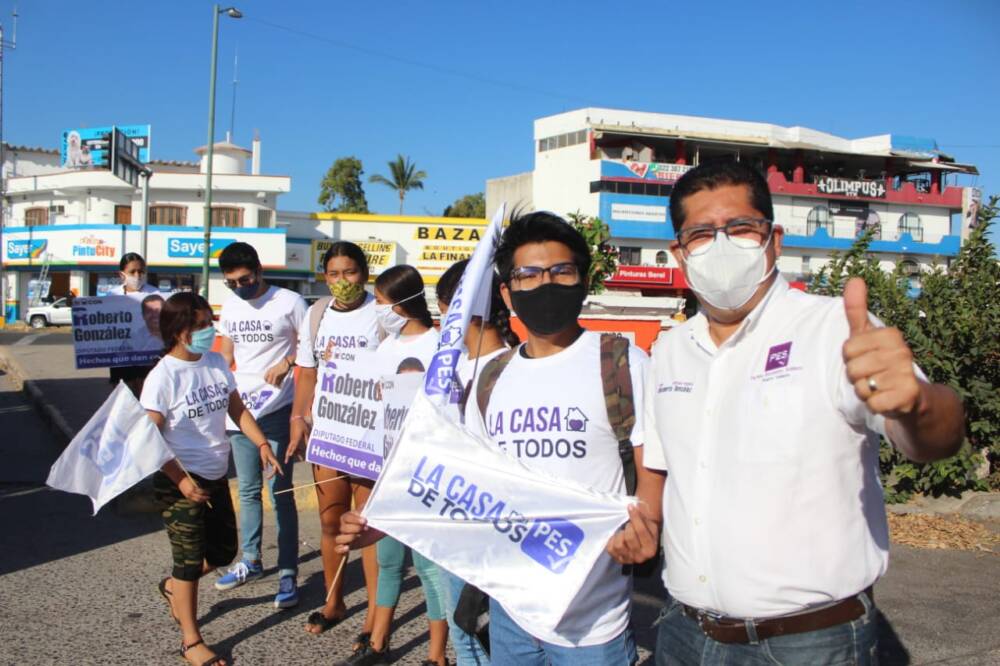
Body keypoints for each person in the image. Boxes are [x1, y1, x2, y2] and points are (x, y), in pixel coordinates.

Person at [615, 160, 966, 665]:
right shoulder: (670, 348)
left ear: (773, 240)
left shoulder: (833, 330)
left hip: (809, 642)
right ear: (679, 253)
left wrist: (919, 404)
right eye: (701, 235)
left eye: (740, 229)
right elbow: (663, 469)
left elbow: (933, 437)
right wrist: (640, 527)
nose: (722, 246)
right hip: (685, 633)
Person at [339, 212, 662, 664]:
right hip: (511, 613)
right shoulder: (494, 376)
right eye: (528, 275)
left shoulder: (623, 361)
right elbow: (467, 481)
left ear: (583, 281)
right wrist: (388, 519)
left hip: (595, 622)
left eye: (561, 271)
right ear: (506, 293)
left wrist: (646, 524)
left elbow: (652, 464)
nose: (545, 284)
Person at [142, 292, 283, 666]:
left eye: (209, 322)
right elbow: (149, 439)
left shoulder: (216, 361)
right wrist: (181, 480)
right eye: (201, 325)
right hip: (180, 482)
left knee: (222, 552)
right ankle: (191, 641)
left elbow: (237, 408)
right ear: (178, 330)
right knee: (188, 562)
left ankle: (174, 588)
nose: (209, 330)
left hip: (217, 474)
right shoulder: (162, 377)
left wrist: (262, 443)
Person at [339, 264, 446, 666]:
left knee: (427, 566)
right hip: (386, 470)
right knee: (387, 559)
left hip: (425, 471)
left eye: (381, 302)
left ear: (401, 304)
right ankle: (378, 640)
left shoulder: (438, 346)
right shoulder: (384, 349)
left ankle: (437, 655)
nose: (376, 309)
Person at [287, 241, 381, 645]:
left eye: (350, 272)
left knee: (368, 527)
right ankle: (334, 602)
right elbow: (306, 372)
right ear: (325, 277)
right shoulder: (316, 314)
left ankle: (375, 618)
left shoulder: (383, 313)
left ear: (365, 272)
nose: (343, 281)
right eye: (334, 274)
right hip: (327, 435)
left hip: (370, 436)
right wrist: (297, 419)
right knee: (330, 521)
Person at [432, 258, 521, 666]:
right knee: (463, 626)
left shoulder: (511, 369)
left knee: (480, 631)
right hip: (450, 522)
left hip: (486, 526)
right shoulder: (450, 367)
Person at [213, 242, 308, 609]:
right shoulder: (232, 305)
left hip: (278, 409)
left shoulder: (288, 302)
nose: (240, 288)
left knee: (279, 493)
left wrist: (287, 362)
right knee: (248, 491)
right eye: (232, 282)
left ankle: (288, 572)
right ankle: (251, 560)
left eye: (246, 279)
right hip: (239, 412)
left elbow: (310, 345)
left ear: (259, 270)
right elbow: (226, 352)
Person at [108, 253, 161, 396]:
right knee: (124, 402)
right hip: (121, 361)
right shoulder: (112, 296)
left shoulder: (156, 294)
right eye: (132, 271)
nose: (137, 275)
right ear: (121, 274)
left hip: (149, 361)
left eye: (141, 271)